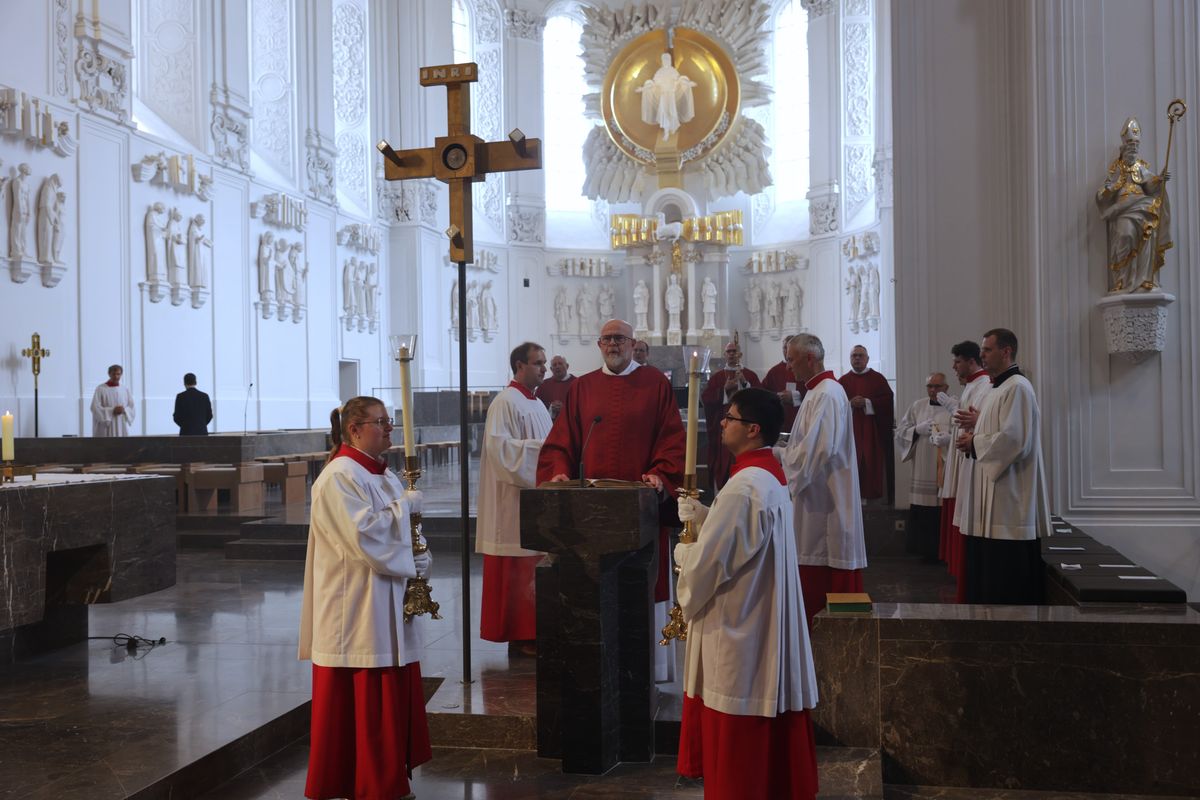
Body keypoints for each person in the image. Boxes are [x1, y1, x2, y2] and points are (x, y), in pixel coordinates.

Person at [675, 388, 819, 800]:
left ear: (753, 429)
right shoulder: (763, 477)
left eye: (730, 417)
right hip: (759, 619)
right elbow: (744, 540)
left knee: (738, 763)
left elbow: (711, 565)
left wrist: (686, 552)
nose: (722, 422)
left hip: (740, 631)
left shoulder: (744, 488)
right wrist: (706, 517)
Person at [299, 396, 432, 799]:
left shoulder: (385, 476)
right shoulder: (340, 476)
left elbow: (408, 530)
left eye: (390, 421)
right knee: (365, 695)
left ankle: (386, 778)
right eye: (381, 422)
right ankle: (369, 781)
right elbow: (363, 536)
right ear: (355, 430)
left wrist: (421, 555)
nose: (389, 428)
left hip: (385, 597)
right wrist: (404, 521)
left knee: (387, 692)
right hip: (355, 605)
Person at [537, 318, 685, 602]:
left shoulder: (655, 382)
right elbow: (561, 440)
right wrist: (558, 471)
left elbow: (671, 437)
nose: (613, 344)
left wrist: (661, 473)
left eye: (620, 338)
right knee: (593, 594)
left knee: (640, 597)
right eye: (607, 339)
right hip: (590, 510)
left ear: (633, 344)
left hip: (639, 506)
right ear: (599, 345)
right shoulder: (582, 387)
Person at [776, 334, 867, 626]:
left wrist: (779, 457)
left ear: (810, 358)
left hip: (826, 506)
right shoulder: (818, 392)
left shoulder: (827, 393)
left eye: (791, 359)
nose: (788, 367)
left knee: (821, 589)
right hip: (817, 499)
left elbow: (819, 449)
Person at [955, 329, 1049, 604]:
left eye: (987, 350)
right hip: (996, 492)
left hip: (1010, 496)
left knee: (1006, 573)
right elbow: (1003, 427)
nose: (981, 355)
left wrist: (975, 443)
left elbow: (1015, 439)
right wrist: (980, 422)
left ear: (1006, 351)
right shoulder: (999, 388)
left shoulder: (1018, 386)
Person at [477, 343, 554, 654]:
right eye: (538, 363)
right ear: (520, 366)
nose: (544, 369)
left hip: (534, 500)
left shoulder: (536, 403)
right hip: (512, 503)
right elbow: (502, 452)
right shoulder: (505, 403)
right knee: (518, 563)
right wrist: (546, 451)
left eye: (545, 363)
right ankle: (521, 636)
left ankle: (536, 632)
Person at [930, 341, 990, 598]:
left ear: (971, 361)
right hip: (962, 457)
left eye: (957, 361)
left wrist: (957, 414)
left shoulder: (984, 385)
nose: (954, 367)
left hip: (973, 460)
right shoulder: (972, 386)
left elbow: (980, 423)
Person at [1095, 117, 1172, 293]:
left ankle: (1144, 279)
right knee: (1125, 235)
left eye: (1136, 145)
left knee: (1149, 232)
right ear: (1124, 148)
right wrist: (1109, 189)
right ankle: (1122, 280)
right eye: (1130, 145)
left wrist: (1159, 179)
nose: (1134, 149)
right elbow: (1105, 190)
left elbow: (1150, 185)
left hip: (1142, 205)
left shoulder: (1140, 167)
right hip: (1123, 208)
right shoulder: (1116, 168)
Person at [895, 373, 952, 561]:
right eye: (930, 386)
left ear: (946, 387)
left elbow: (963, 432)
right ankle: (923, 552)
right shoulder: (917, 406)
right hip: (922, 466)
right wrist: (916, 431)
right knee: (923, 509)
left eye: (937, 386)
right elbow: (900, 432)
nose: (933, 390)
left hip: (943, 467)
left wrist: (948, 439)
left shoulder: (954, 406)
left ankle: (943, 552)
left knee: (941, 510)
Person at [701, 340, 762, 491]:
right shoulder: (718, 377)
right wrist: (724, 391)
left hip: (746, 433)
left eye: (734, 351)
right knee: (724, 468)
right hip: (724, 431)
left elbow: (761, 400)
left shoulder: (749, 375)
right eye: (729, 351)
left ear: (740, 354)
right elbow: (706, 399)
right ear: (724, 355)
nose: (732, 354)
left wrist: (745, 384)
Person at [839, 345, 894, 503]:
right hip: (850, 431)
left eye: (860, 355)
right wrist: (850, 403)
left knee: (870, 461)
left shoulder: (878, 379)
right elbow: (835, 405)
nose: (857, 358)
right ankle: (851, 497)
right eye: (854, 355)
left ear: (867, 359)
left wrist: (867, 402)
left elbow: (887, 401)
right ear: (850, 359)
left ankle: (871, 498)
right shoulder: (842, 381)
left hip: (872, 431)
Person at [762, 335, 803, 433]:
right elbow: (763, 392)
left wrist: (795, 397)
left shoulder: (803, 368)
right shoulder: (774, 371)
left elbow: (812, 391)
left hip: (801, 419)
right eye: (784, 347)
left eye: (788, 347)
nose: (786, 350)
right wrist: (777, 397)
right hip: (781, 420)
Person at [90, 364, 136, 437]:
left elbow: (131, 406)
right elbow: (95, 408)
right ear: (109, 374)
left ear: (121, 374)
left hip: (121, 424)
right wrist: (112, 410)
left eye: (118, 374)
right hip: (107, 425)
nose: (116, 376)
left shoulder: (124, 389)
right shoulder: (101, 389)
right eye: (113, 374)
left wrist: (124, 410)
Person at [536, 354, 575, 421]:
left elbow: (583, 406)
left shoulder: (577, 383)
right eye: (554, 365)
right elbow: (536, 406)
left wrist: (565, 409)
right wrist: (551, 407)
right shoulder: (543, 385)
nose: (557, 366)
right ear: (551, 369)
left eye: (560, 364)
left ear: (567, 366)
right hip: (549, 425)